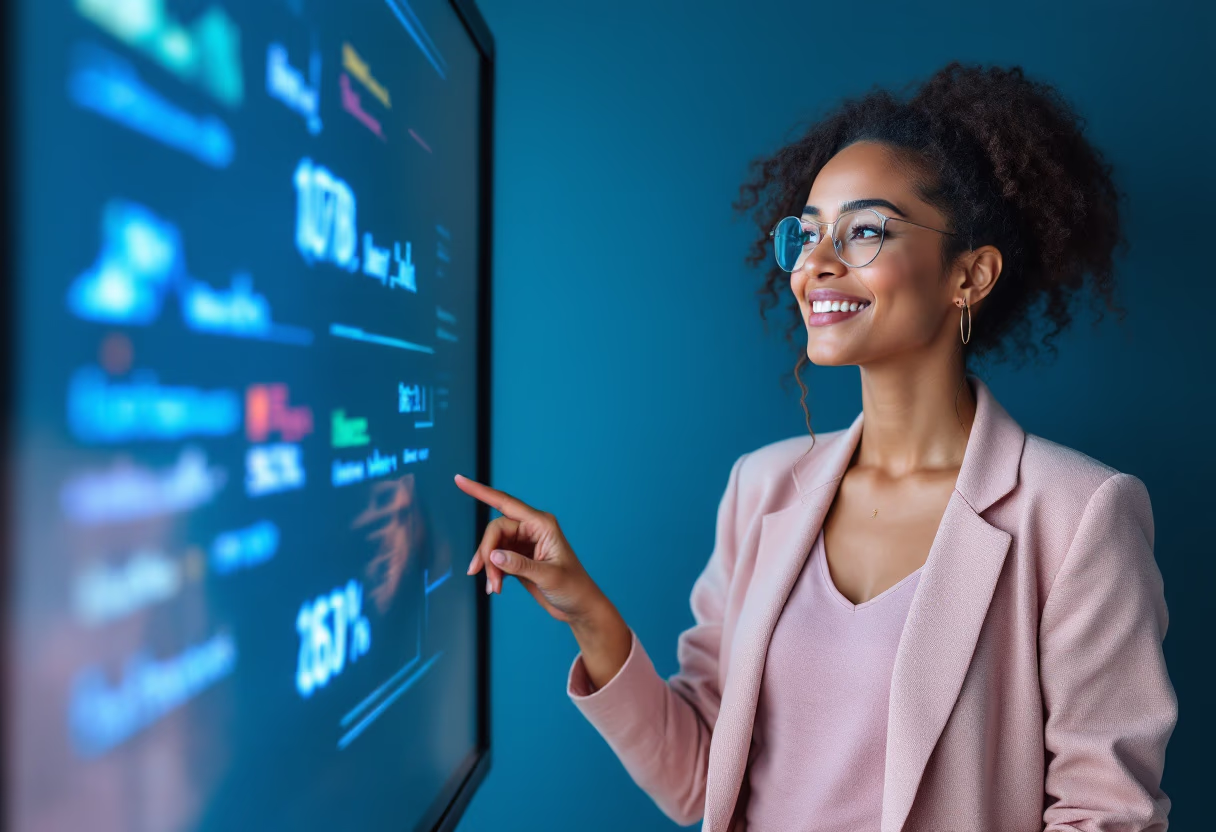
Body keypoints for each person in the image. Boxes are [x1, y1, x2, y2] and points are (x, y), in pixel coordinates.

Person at [454, 61, 1177, 831]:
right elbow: (705, 781)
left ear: (970, 274)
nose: (815, 263)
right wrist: (587, 614)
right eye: (807, 232)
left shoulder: (1078, 515)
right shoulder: (761, 488)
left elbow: (1108, 814)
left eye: (865, 230)